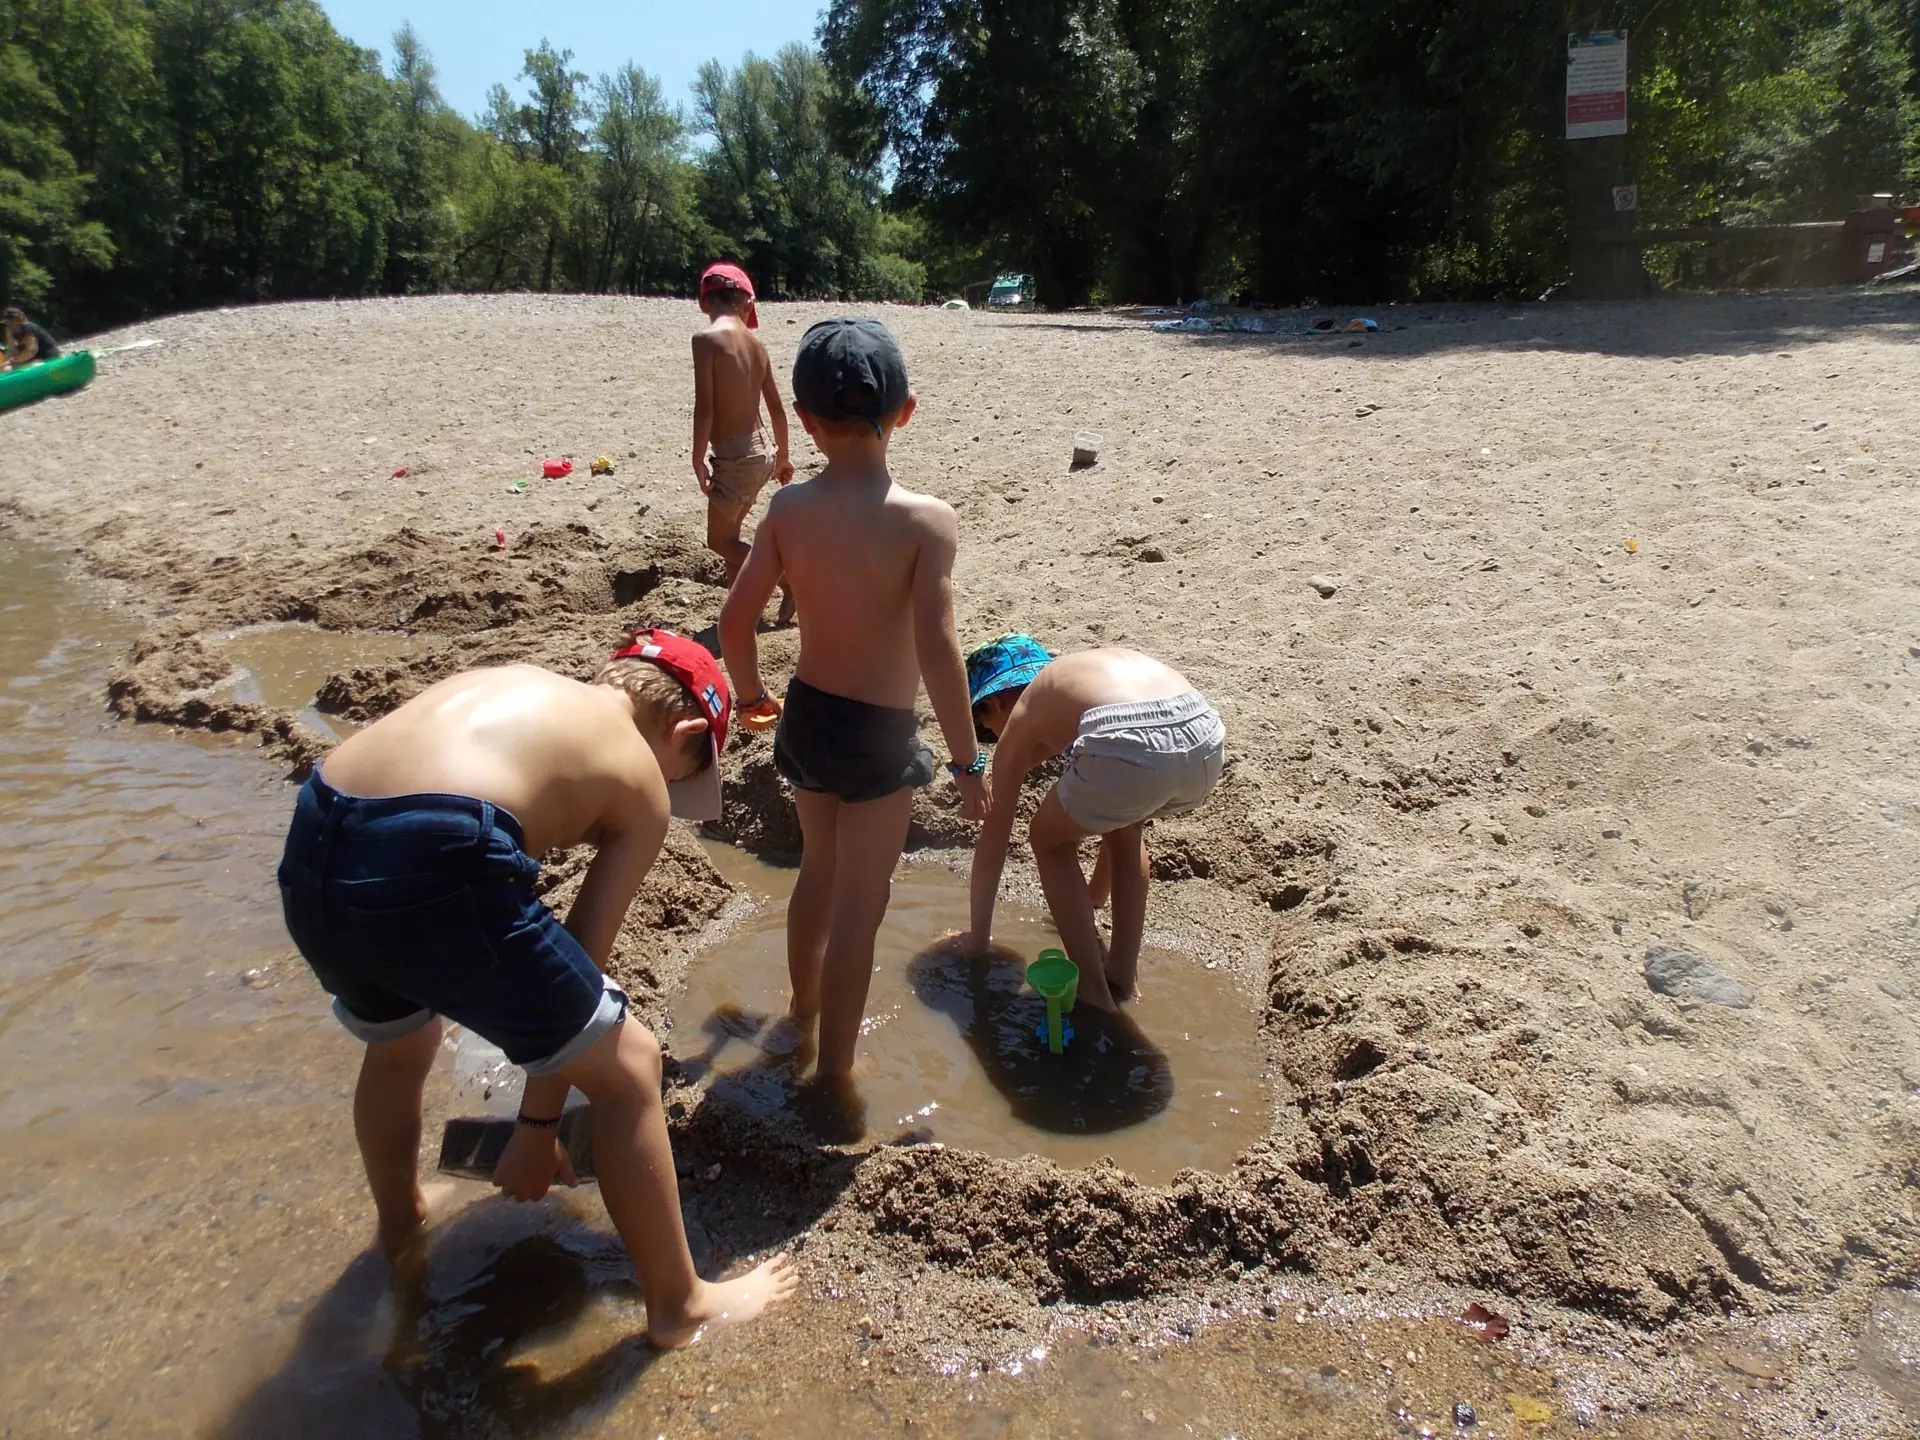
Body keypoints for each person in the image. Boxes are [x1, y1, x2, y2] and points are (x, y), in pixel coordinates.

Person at [274, 629, 795, 1348]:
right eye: (683, 774)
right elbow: (585, 964)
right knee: (629, 1066)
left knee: (401, 1044)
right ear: (681, 731)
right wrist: (537, 1130)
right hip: (437, 849)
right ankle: (681, 1306)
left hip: (319, 837)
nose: (671, 791)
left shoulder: (521, 680)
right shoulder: (640, 783)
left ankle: (399, 1225)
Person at [718, 317, 989, 1095]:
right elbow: (938, 650)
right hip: (878, 735)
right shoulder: (926, 520)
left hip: (805, 716)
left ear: (802, 419)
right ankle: (834, 1072)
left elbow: (736, 623)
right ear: (906, 410)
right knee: (860, 913)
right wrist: (968, 762)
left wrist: (751, 700)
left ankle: (802, 1014)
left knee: (816, 875)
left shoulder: (788, 511)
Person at [956, 636, 1226, 1011]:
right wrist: (1092, 897)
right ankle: (1123, 975)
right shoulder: (1078, 683)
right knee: (1127, 824)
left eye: (988, 730)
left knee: (1047, 840)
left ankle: (1094, 995)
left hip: (1129, 738)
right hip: (1204, 735)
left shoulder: (1024, 713)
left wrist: (977, 942)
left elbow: (996, 835)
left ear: (994, 704)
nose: (994, 739)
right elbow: (1121, 804)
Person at [691, 262, 795, 624]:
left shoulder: (706, 341)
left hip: (734, 457)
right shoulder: (756, 344)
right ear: (747, 304)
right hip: (761, 451)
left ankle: (787, 582)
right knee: (731, 536)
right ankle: (741, 611)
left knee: (719, 541)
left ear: (704, 303)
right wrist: (782, 457)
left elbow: (705, 406)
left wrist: (698, 456)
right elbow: (778, 410)